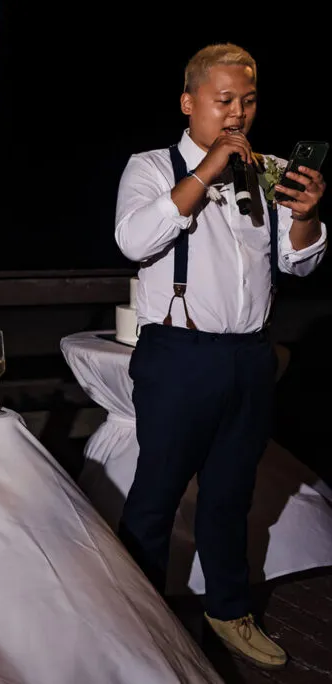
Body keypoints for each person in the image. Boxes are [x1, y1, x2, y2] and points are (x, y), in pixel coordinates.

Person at [114, 43, 326, 669]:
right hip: (178, 355)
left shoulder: (270, 169)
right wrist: (206, 170)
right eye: (224, 99)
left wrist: (308, 219)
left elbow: (301, 261)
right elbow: (133, 240)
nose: (238, 113)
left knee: (232, 497)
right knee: (155, 496)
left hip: (251, 357)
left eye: (249, 100)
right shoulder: (151, 167)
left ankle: (228, 612)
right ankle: (139, 621)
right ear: (189, 102)